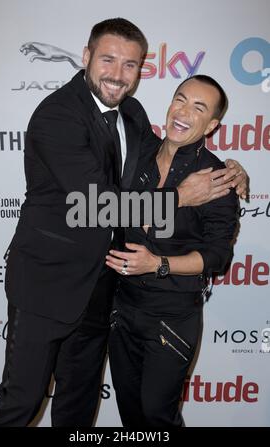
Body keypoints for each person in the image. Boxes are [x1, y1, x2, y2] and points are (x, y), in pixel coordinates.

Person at [0, 19, 247, 427]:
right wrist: (180, 197)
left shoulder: (132, 113)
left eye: (130, 65)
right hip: (46, 286)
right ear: (86, 58)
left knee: (78, 406)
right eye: (108, 60)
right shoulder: (58, 116)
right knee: (20, 403)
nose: (118, 75)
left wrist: (231, 170)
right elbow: (97, 206)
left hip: (103, 291)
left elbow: (170, 153)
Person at [106, 75, 239, 427]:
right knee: (131, 413)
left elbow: (217, 256)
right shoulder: (135, 154)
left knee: (157, 415)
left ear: (212, 125)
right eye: (180, 99)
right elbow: (103, 210)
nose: (183, 112)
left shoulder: (217, 178)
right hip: (123, 308)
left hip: (172, 316)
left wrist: (158, 263)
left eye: (198, 108)